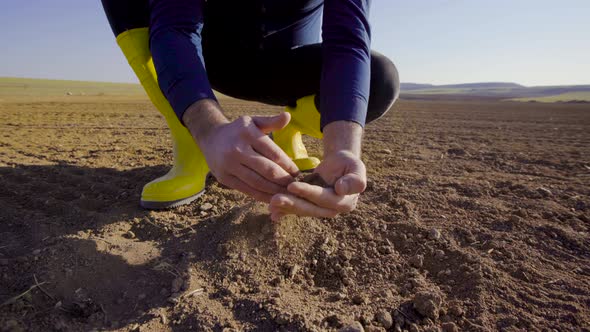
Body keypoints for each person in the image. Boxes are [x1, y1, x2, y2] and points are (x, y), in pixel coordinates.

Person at [101, 0, 399, 221]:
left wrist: (343, 149)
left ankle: (287, 131)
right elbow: (174, 27)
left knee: (380, 78)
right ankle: (193, 144)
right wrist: (209, 130)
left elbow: (347, 40)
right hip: (207, 57)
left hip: (284, 65)